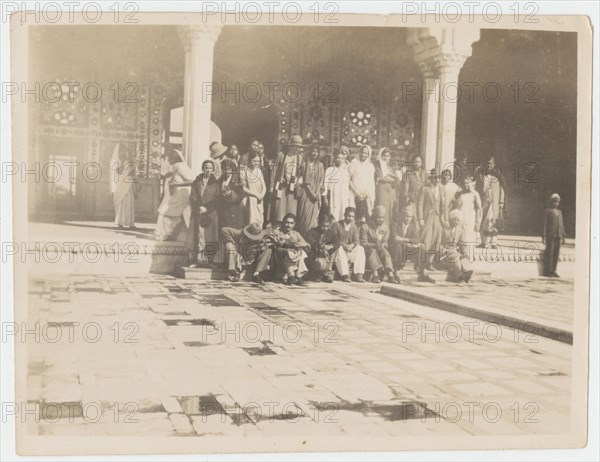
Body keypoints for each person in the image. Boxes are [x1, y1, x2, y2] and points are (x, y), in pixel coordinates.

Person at [155, 146, 194, 241]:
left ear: (174, 158)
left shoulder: (181, 167)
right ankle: (168, 234)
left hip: (181, 195)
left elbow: (192, 180)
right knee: (170, 215)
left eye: (169, 158)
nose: (168, 160)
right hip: (176, 195)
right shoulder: (176, 167)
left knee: (164, 213)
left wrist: (177, 184)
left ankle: (162, 235)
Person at [188, 160, 220, 267]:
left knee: (210, 237)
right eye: (207, 168)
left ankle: (209, 261)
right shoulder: (196, 182)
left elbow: (218, 198)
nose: (208, 170)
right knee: (198, 235)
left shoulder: (216, 183)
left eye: (211, 168)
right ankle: (196, 261)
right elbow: (193, 196)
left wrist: (207, 208)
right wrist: (199, 207)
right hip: (198, 212)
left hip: (210, 214)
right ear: (203, 168)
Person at [359, 205, 399, 284]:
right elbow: (363, 243)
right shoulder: (365, 227)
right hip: (368, 250)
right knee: (373, 251)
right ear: (373, 216)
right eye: (378, 217)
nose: (381, 220)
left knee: (385, 252)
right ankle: (375, 274)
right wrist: (374, 245)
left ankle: (390, 275)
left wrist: (380, 246)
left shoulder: (385, 228)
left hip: (380, 249)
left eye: (382, 217)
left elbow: (385, 242)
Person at [267, 213, 310, 285]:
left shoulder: (295, 234)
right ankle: (292, 275)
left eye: (291, 223)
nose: (288, 225)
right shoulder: (277, 232)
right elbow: (274, 247)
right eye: (287, 222)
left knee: (301, 252)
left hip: (292, 261)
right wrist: (287, 248)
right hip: (279, 260)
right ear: (283, 222)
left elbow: (305, 244)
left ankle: (297, 276)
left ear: (294, 224)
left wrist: (297, 244)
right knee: (289, 252)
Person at [417, 169, 447, 273]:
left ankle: (429, 263)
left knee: (436, 241)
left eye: (438, 178)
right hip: (427, 217)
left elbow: (444, 206)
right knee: (426, 240)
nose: (437, 180)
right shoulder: (425, 189)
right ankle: (420, 264)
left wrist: (445, 219)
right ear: (431, 178)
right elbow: (419, 205)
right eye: (435, 177)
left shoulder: (442, 190)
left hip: (438, 218)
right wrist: (420, 218)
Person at [434, 209, 473, 283]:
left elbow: (463, 243)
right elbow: (437, 242)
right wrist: (443, 249)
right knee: (455, 256)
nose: (456, 222)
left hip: (454, 254)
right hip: (443, 255)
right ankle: (461, 274)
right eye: (454, 220)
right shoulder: (444, 229)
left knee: (462, 257)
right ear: (450, 219)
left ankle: (464, 272)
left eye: (458, 220)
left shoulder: (461, 230)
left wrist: (464, 250)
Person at [476, 156, 507, 248]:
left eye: (491, 164)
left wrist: (501, 203)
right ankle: (484, 242)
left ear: (494, 165)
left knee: (493, 222)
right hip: (485, 203)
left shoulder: (498, 176)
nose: (489, 165)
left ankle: (493, 243)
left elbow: (502, 190)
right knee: (484, 222)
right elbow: (479, 189)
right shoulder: (482, 176)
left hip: (494, 204)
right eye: (488, 164)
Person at [390, 203, 426, 282]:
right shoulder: (395, 224)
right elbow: (394, 238)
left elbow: (417, 239)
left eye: (410, 217)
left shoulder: (413, 226)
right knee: (398, 247)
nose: (407, 218)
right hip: (395, 248)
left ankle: (420, 270)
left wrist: (406, 240)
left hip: (406, 247)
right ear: (402, 216)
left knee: (421, 248)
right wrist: (408, 241)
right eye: (406, 216)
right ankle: (396, 269)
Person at [272, 135, 305, 222]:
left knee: (291, 211)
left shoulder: (300, 158)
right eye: (296, 146)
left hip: (292, 189)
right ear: (291, 146)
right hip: (281, 186)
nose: (297, 149)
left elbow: (302, 174)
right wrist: (272, 186)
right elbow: (274, 170)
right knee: (279, 210)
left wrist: (298, 182)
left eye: (299, 147)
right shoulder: (281, 155)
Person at [296, 141, 325, 235]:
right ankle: (302, 236)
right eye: (313, 151)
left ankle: (311, 239)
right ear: (309, 152)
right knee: (303, 215)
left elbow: (321, 181)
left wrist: (316, 194)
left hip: (316, 195)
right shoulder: (304, 164)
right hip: (306, 194)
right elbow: (304, 181)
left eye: (316, 151)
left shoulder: (320, 165)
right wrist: (311, 193)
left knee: (314, 217)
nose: (314, 153)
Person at [331, 207, 366, 282]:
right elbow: (334, 240)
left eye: (352, 216)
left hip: (348, 251)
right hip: (338, 252)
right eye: (348, 216)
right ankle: (345, 274)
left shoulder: (353, 226)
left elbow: (357, 240)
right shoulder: (336, 225)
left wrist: (352, 245)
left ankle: (358, 274)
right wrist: (345, 246)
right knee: (338, 248)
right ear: (344, 215)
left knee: (360, 248)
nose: (350, 218)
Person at [110, 143, 139, 229]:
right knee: (121, 202)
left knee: (129, 202)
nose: (123, 152)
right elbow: (118, 172)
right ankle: (120, 223)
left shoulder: (130, 161)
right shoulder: (116, 161)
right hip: (119, 184)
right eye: (121, 151)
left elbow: (133, 173)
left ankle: (130, 223)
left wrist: (136, 185)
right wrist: (122, 162)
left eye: (125, 150)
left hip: (128, 184)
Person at [304, 213, 340, 283]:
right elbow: (311, 244)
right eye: (323, 226)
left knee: (339, 250)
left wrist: (331, 246)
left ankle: (325, 274)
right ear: (318, 223)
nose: (325, 228)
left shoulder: (330, 232)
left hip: (327, 255)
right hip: (314, 256)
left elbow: (338, 242)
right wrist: (321, 248)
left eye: (327, 226)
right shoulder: (312, 232)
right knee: (319, 262)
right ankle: (318, 274)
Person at [348, 144, 376, 224]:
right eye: (362, 152)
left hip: (365, 195)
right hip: (353, 193)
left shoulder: (370, 166)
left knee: (363, 217)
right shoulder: (353, 163)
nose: (364, 155)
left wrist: (365, 193)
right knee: (353, 214)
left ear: (368, 155)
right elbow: (348, 179)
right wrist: (357, 193)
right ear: (359, 152)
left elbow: (371, 182)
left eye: (366, 153)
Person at [452, 176, 482, 245]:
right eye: (465, 183)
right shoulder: (458, 194)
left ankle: (468, 254)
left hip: (469, 220)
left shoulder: (475, 194)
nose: (466, 185)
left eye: (468, 183)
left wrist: (478, 222)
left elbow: (479, 209)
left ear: (472, 184)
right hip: (459, 220)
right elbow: (454, 206)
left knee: (467, 239)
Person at [542, 193, 567, 278]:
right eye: (554, 202)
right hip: (550, 235)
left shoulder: (560, 212)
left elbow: (561, 224)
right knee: (550, 252)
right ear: (551, 202)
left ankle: (554, 270)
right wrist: (544, 236)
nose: (556, 204)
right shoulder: (548, 211)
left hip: (558, 235)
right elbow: (544, 224)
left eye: (557, 202)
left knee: (556, 253)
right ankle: (548, 271)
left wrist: (563, 236)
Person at [240, 152, 267, 227]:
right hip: (249, 199)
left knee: (259, 220)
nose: (256, 163)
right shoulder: (243, 171)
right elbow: (243, 188)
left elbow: (264, 186)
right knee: (250, 220)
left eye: (258, 161)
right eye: (254, 161)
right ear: (249, 160)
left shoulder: (259, 171)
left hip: (259, 199)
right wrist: (255, 195)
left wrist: (262, 195)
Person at [324, 150, 352, 222]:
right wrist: (325, 197)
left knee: (342, 213)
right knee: (332, 213)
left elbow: (346, 187)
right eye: (338, 158)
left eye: (342, 158)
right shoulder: (329, 170)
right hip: (333, 196)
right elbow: (325, 184)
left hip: (343, 197)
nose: (340, 160)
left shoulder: (345, 172)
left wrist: (348, 198)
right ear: (334, 159)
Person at [217, 158, 243, 229]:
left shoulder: (237, 180)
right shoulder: (219, 180)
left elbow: (241, 196)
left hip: (233, 211)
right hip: (223, 210)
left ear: (232, 170)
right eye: (224, 169)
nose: (226, 171)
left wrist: (231, 194)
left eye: (228, 169)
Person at [374, 147, 397, 226]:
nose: (385, 158)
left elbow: (394, 184)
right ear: (380, 156)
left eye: (388, 156)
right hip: (380, 192)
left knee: (389, 212)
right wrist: (381, 179)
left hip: (390, 194)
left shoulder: (390, 169)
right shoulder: (376, 167)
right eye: (384, 155)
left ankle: (387, 232)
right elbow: (372, 179)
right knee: (381, 211)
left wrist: (393, 180)